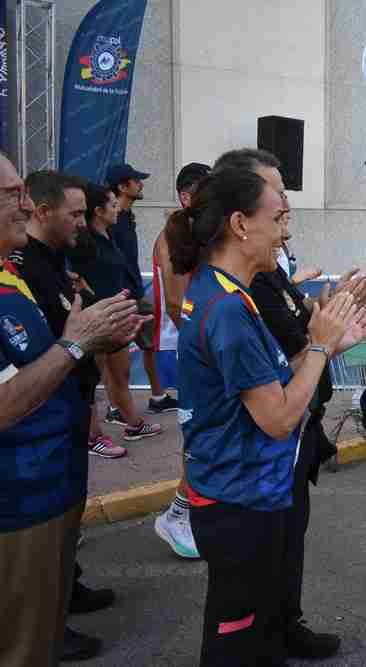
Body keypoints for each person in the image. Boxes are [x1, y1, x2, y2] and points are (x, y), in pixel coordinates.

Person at [166, 167, 366, 666]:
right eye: (278, 217)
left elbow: (275, 378)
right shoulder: (228, 309)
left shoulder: (229, 291)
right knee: (236, 640)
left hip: (247, 491)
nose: (287, 231)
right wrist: (321, 347)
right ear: (240, 224)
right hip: (238, 499)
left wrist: (329, 345)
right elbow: (278, 418)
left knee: (255, 628)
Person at [0, 151, 145, 667]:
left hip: (47, 483)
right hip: (19, 500)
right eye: (12, 195)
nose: (24, 206)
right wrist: (78, 343)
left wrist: (92, 337)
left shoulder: (14, 278)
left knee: (37, 634)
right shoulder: (19, 273)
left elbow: (54, 354)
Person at [69, 183, 163, 442]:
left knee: (120, 374)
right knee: (91, 380)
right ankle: (92, 436)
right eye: (112, 205)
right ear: (98, 211)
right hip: (97, 317)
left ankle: (132, 424)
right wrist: (79, 285)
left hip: (118, 316)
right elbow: (67, 269)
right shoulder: (83, 241)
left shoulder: (113, 234)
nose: (117, 208)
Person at [153, 162, 212, 560]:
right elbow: (176, 304)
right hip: (189, 351)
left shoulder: (196, 231)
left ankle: (186, 511)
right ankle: (178, 513)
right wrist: (203, 345)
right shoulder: (173, 235)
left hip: (200, 348)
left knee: (207, 437)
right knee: (199, 439)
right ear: (187, 197)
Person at [107, 163, 176, 413]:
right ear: (122, 187)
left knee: (150, 344)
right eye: (136, 181)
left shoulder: (126, 217)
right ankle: (118, 410)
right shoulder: (111, 220)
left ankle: (157, 397)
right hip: (121, 296)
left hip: (134, 293)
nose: (141, 184)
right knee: (113, 357)